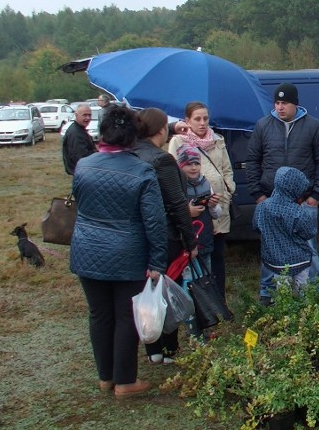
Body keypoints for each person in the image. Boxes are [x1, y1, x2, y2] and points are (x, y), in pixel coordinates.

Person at [69, 105, 167, 399]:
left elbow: (81, 205)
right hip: (127, 253)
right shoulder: (142, 171)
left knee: (99, 315)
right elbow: (155, 220)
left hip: (87, 249)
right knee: (125, 316)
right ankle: (125, 381)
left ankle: (105, 377)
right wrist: (157, 260)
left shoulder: (84, 166)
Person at [246, 83, 319, 306]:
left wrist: (315, 196)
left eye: (285, 103)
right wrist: (258, 195)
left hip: (303, 202)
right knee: (270, 247)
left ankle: (313, 291)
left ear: (295, 104)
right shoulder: (263, 126)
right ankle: (268, 294)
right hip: (270, 201)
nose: (280, 107)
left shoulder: (313, 126)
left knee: (308, 246)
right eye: (277, 103)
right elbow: (252, 161)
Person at [133, 108, 199, 364]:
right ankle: (169, 348)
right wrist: (190, 240)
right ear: (161, 130)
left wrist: (175, 129)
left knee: (147, 292)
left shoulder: (131, 153)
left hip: (138, 236)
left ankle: (152, 348)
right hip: (167, 236)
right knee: (168, 292)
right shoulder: (163, 161)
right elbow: (176, 203)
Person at [168, 101, 235, 300]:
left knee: (217, 257)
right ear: (187, 120)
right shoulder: (179, 141)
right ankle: (197, 304)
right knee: (196, 261)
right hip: (195, 213)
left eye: (205, 118)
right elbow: (173, 175)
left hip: (218, 208)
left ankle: (218, 301)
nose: (202, 123)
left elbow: (227, 170)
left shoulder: (217, 140)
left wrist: (228, 191)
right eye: (197, 119)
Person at [253, 166, 318, 292]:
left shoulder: (262, 207)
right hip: (299, 259)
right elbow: (310, 232)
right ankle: (304, 307)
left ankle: (283, 307)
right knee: (302, 289)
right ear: (295, 189)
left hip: (275, 260)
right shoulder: (297, 212)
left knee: (282, 290)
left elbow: (256, 226)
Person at [176, 146, 218, 274]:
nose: (193, 168)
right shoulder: (177, 186)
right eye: (189, 164)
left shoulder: (206, 183)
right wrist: (187, 212)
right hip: (184, 243)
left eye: (196, 164)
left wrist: (213, 205)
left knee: (206, 275)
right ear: (181, 165)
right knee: (188, 278)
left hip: (204, 238)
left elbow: (216, 215)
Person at [63, 104, 97, 175]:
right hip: (81, 172)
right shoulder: (76, 133)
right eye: (84, 115)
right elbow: (80, 157)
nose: (87, 118)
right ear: (76, 115)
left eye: (89, 115)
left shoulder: (80, 129)